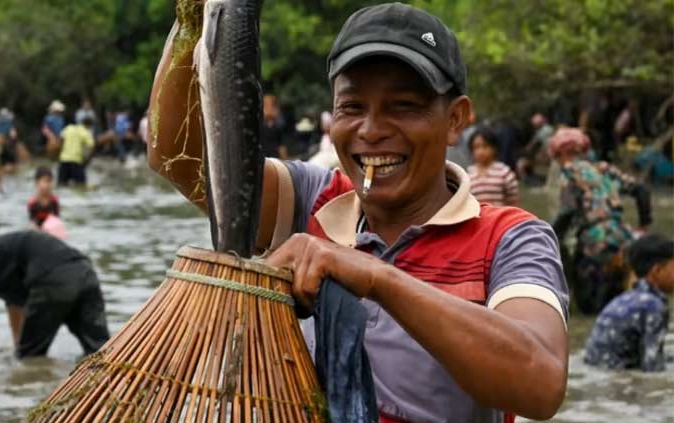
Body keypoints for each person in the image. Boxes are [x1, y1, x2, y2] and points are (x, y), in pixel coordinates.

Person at [149, 3, 569, 421]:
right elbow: (175, 156)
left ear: (456, 119)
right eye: (352, 108)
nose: (371, 130)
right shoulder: (311, 198)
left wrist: (374, 277)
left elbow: (542, 383)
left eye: (403, 106)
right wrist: (193, 22)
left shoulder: (510, 237)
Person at [0, 216, 109, 366]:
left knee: (30, 362)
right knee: (101, 352)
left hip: (52, 280)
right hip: (85, 273)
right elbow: (14, 304)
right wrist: (19, 346)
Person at [550, 127, 652, 315]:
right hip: (623, 236)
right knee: (620, 302)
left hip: (594, 242)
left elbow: (568, 210)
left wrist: (550, 236)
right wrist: (644, 224)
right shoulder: (603, 168)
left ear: (560, 153)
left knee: (591, 307)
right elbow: (641, 190)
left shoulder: (569, 172)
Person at [583, 234, 673, 372]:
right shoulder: (653, 306)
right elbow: (653, 368)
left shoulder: (626, 298)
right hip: (615, 378)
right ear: (657, 270)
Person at [467, 127, 519, 206]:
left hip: (500, 217)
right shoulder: (468, 175)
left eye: (485, 146)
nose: (480, 151)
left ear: (494, 148)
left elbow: (513, 201)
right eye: (476, 147)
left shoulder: (504, 172)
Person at [57, 117, 95, 186]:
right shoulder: (85, 132)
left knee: (61, 185)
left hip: (64, 161)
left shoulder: (69, 128)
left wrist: (60, 152)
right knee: (81, 186)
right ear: (89, 126)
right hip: (76, 162)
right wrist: (87, 160)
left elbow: (60, 139)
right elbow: (91, 146)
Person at [262, 94, 288, 160]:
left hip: (275, 160)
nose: (269, 109)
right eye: (266, 106)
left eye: (272, 106)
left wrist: (285, 162)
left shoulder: (277, 126)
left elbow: (282, 146)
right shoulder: (259, 126)